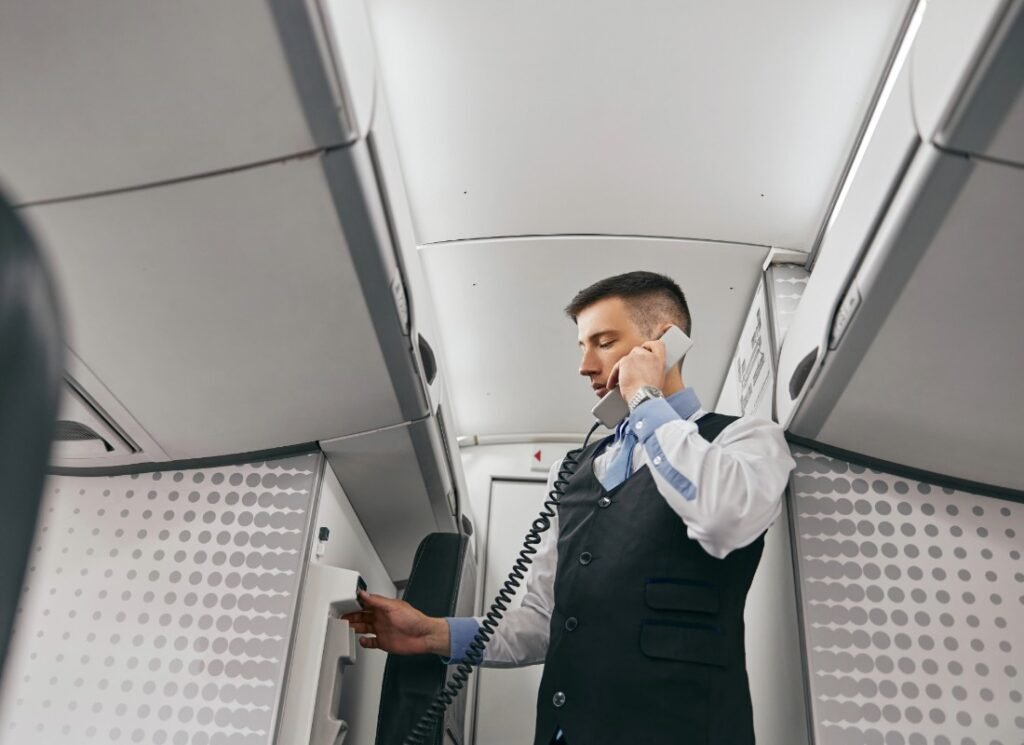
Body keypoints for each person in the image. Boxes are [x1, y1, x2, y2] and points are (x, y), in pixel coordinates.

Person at [343, 271, 796, 744]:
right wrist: (429, 634)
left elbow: (722, 517)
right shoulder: (572, 470)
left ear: (666, 342)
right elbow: (543, 623)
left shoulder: (744, 438)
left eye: (603, 342)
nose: (585, 365)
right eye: (582, 346)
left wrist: (644, 399)